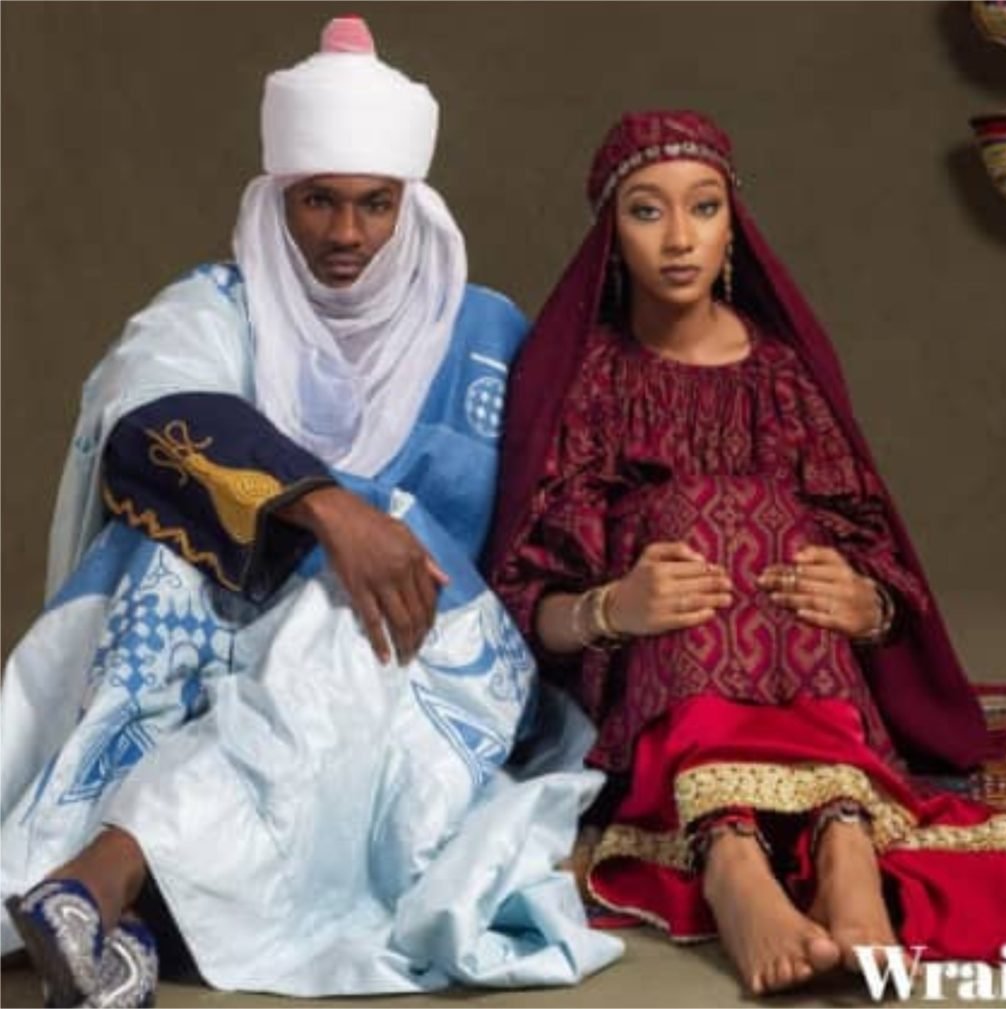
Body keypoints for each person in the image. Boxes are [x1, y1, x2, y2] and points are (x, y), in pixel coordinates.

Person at [0, 18, 622, 1006]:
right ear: (277, 197)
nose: (346, 235)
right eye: (318, 201)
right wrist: (331, 511)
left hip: (418, 648)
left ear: (410, 203)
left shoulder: (488, 334)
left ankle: (94, 882)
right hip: (228, 617)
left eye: (375, 204)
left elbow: (573, 501)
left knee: (334, 644)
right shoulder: (220, 305)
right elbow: (151, 408)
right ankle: (114, 907)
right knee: (172, 573)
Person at [488, 109, 1006, 996]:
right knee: (689, 511)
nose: (680, 238)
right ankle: (731, 855)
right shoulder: (587, 380)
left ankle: (845, 844)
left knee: (770, 515)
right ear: (610, 234)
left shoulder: (781, 373)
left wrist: (866, 602)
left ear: (733, 225)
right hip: (645, 679)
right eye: (648, 211)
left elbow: (870, 549)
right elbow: (523, 599)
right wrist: (611, 608)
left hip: (802, 669)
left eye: (704, 207)